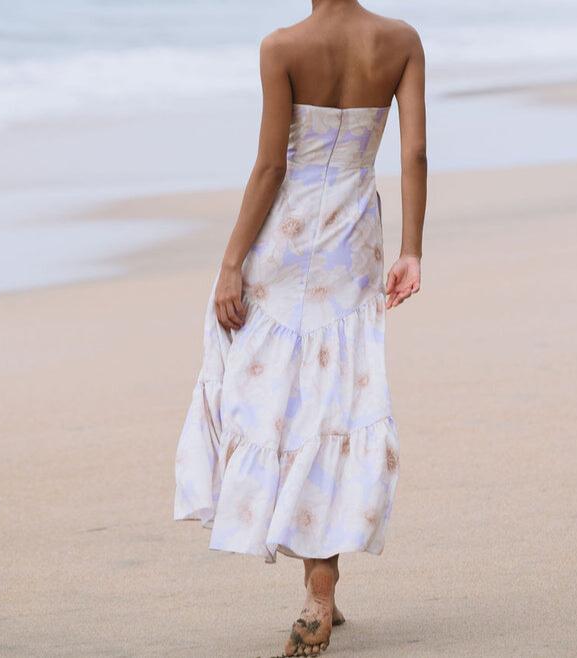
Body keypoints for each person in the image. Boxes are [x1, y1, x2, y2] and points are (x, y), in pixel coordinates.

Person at [174, 1, 426, 654]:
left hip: (287, 237)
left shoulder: (282, 46)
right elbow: (415, 151)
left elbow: (270, 166)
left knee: (263, 384)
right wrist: (411, 250)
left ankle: (316, 581)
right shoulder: (399, 40)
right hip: (354, 237)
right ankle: (323, 585)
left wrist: (230, 262)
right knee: (338, 392)